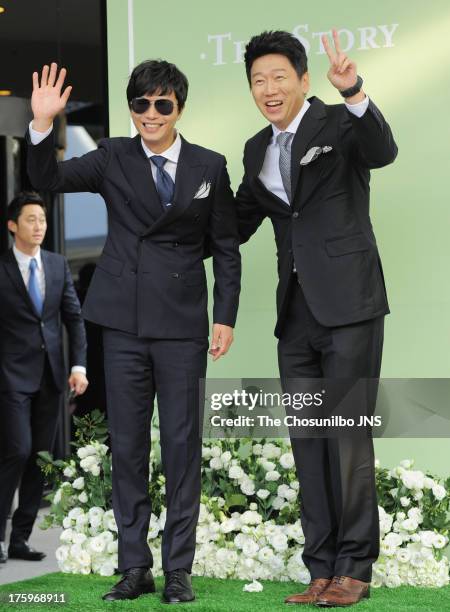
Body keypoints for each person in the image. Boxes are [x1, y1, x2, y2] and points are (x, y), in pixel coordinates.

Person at [26, 60, 241, 603]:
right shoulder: (113, 156)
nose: (150, 114)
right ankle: (133, 567)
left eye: (162, 104)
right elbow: (46, 181)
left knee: (182, 445)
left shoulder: (209, 166)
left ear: (179, 109)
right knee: (126, 446)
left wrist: (225, 315)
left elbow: (227, 250)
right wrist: (42, 125)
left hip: (182, 327)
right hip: (121, 323)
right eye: (140, 104)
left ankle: (178, 570)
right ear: (132, 109)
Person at [236, 30, 397, 607]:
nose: (269, 88)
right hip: (295, 316)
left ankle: (355, 569)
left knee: (348, 439)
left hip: (350, 305)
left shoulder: (339, 123)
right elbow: (236, 222)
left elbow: (383, 151)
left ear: (304, 80)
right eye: (258, 79)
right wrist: (169, 234)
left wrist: (353, 90)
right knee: (308, 440)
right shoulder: (256, 149)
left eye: (279, 76)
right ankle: (321, 568)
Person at [0, 191, 88, 564]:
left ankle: (20, 538)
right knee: (17, 450)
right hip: (10, 379)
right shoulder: (2, 268)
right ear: (13, 225)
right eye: (31, 219)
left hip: (51, 376)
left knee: (40, 457)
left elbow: (73, 318)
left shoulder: (56, 264)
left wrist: (78, 366)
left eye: (43, 220)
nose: (39, 226)